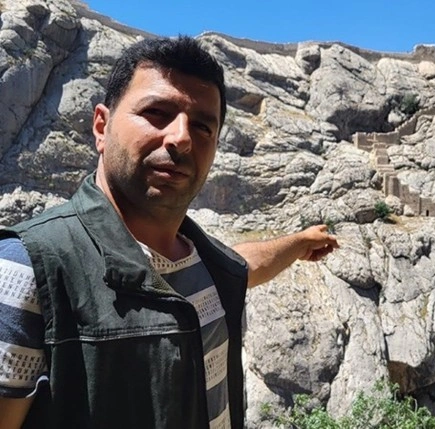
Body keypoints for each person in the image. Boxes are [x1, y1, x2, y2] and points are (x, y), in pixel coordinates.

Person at [0, 36, 338, 429]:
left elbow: (246, 265)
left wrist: (300, 242)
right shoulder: (27, 270)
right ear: (101, 127)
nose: (181, 138)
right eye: (157, 113)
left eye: (202, 126)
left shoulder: (207, 265)